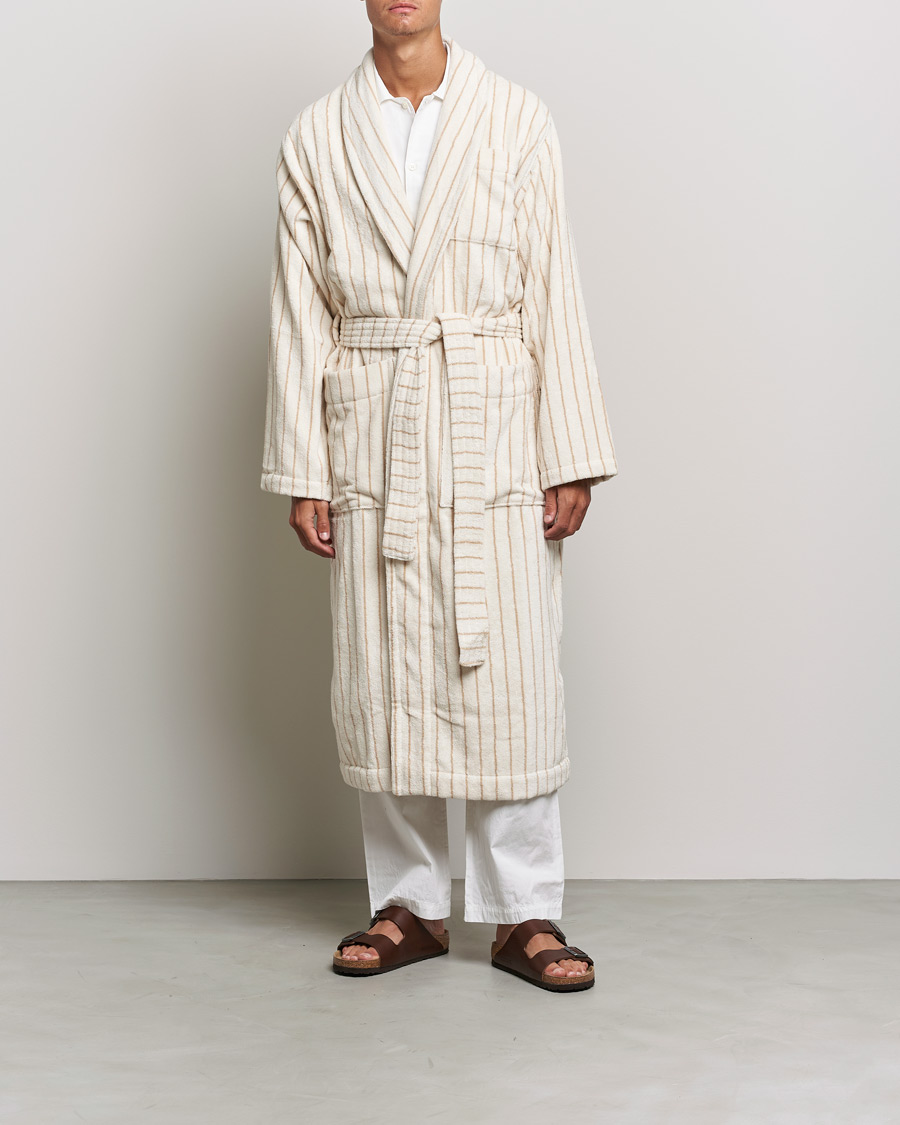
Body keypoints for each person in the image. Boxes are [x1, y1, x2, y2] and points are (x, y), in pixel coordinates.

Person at [260, 0, 618, 993]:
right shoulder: (317, 133)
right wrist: (303, 464)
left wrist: (568, 449)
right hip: (374, 416)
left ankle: (524, 911)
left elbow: (552, 283)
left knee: (510, 677)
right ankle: (408, 905)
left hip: (489, 417)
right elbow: (298, 310)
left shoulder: (516, 117)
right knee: (388, 669)